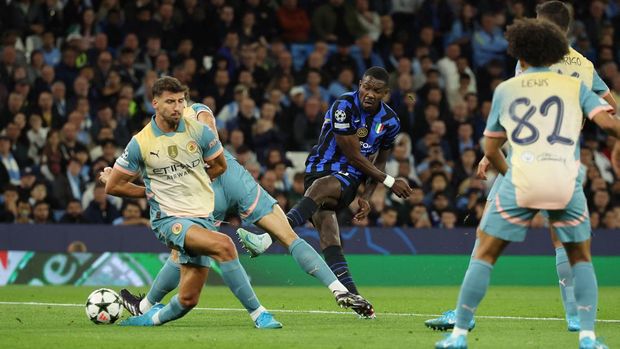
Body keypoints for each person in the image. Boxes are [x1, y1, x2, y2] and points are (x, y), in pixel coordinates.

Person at [426, 1, 618, 334]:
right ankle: (575, 317)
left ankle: (462, 316)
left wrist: (492, 151)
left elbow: (515, 112)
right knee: (565, 240)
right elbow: (610, 108)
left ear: (541, 25)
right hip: (564, 161)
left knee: (487, 235)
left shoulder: (528, 60)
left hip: (524, 157)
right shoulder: (585, 66)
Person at [117, 102, 373, 319]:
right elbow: (209, 130)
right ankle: (338, 288)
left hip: (205, 189)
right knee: (289, 236)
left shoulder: (154, 138)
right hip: (234, 176)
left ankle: (145, 305)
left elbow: (158, 175)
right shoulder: (195, 110)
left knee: (182, 252)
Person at [102, 76, 281, 329]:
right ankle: (259, 314)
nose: (177, 107)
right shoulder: (140, 143)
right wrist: (155, 192)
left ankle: (148, 318)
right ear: (155, 103)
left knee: (187, 299)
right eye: (170, 101)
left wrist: (190, 183)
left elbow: (220, 165)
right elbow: (114, 185)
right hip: (170, 220)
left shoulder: (198, 130)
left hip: (202, 217)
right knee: (225, 245)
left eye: (180, 101)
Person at [239, 67, 413, 306]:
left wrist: (368, 194)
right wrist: (390, 181)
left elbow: (380, 158)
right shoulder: (344, 106)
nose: (369, 93)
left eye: (377, 90)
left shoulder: (390, 121)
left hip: (349, 178)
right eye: (366, 87)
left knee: (324, 187)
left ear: (386, 93)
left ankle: (267, 238)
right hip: (317, 171)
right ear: (360, 83)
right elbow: (352, 153)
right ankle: (354, 296)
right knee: (330, 237)